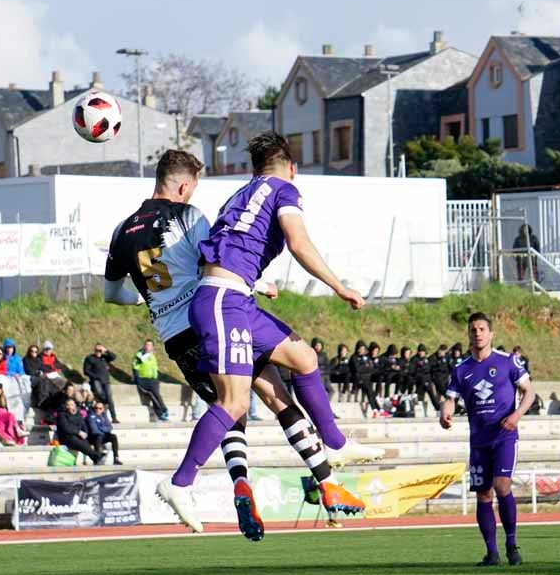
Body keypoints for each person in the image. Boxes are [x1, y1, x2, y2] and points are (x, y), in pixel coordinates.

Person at [103, 147, 369, 539]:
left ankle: (243, 484)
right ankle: (323, 479)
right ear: (182, 185)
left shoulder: (122, 229)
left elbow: (113, 295)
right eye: (192, 188)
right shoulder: (187, 217)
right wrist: (259, 283)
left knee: (231, 408)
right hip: (212, 313)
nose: (192, 195)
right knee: (266, 398)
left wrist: (151, 297)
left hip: (175, 337)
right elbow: (216, 260)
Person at [440, 312, 535, 567]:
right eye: (473, 330)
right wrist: (445, 414)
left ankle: (512, 544)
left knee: (502, 485)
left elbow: (529, 392)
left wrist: (516, 415)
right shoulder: (462, 369)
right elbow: (450, 399)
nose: (478, 333)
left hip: (504, 436)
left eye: (482, 329)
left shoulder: (508, 362)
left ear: (491, 334)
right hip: (479, 441)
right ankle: (491, 552)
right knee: (483, 494)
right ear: (468, 334)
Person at [132, 339, 169, 421]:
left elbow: (154, 368)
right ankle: (164, 409)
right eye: (147, 345)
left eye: (150, 345)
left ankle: (160, 415)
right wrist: (137, 380)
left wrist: (156, 378)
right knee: (156, 394)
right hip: (144, 379)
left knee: (153, 396)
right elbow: (135, 368)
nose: (148, 347)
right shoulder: (139, 355)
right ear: (144, 346)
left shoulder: (151, 356)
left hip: (154, 380)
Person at [55, 399, 101, 464]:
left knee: (86, 440)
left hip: (77, 436)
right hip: (66, 437)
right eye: (68, 405)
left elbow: (84, 426)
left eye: (71, 405)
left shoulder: (78, 415)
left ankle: (95, 457)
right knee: (76, 440)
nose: (69, 407)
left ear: (75, 406)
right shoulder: (62, 415)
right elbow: (66, 428)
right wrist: (79, 432)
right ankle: (96, 456)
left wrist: (85, 433)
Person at [83, 343, 119, 424]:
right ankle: (105, 405)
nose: (98, 352)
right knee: (100, 394)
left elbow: (114, 357)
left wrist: (106, 350)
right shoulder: (90, 358)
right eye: (97, 350)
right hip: (96, 380)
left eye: (100, 350)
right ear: (94, 350)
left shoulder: (104, 357)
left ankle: (114, 417)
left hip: (106, 381)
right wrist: (95, 376)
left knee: (109, 398)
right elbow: (86, 371)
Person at [86, 400, 121, 465]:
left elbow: (110, 427)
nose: (98, 410)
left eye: (100, 408)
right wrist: (103, 428)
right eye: (96, 408)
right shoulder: (91, 416)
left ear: (103, 409)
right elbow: (94, 430)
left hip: (102, 435)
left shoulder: (104, 416)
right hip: (93, 437)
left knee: (113, 437)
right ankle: (97, 458)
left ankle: (116, 458)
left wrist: (100, 427)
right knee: (98, 436)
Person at [411, 343, 440, 414]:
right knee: (420, 395)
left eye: (423, 351)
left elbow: (429, 369)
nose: (421, 353)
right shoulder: (414, 359)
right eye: (420, 351)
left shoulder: (426, 359)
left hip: (427, 380)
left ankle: (438, 408)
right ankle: (419, 410)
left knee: (432, 395)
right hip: (420, 381)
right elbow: (413, 371)